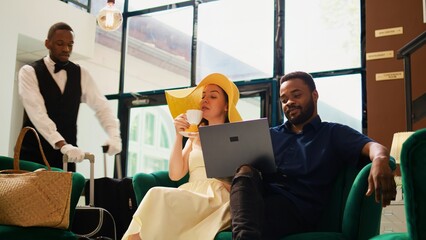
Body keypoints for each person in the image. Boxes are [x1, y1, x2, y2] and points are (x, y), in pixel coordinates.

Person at [229, 71, 397, 240]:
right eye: (284, 99)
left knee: (249, 214)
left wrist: (380, 159)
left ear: (314, 95)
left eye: (296, 95)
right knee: (245, 170)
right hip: (258, 201)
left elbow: (373, 146)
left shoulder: (333, 133)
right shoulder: (268, 135)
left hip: (298, 210)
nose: (289, 102)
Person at [122, 73, 242, 240]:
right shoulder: (194, 137)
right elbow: (175, 174)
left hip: (216, 197)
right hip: (189, 193)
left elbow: (237, 183)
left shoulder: (233, 137)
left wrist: (209, 146)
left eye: (213, 96)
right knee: (155, 201)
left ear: (226, 106)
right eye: (203, 96)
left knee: (156, 194)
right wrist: (179, 135)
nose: (204, 100)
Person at [18, 22, 122, 171]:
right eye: (60, 44)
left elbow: (102, 106)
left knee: (68, 194)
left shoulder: (81, 74)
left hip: (68, 156)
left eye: (70, 45)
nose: (66, 49)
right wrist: (62, 145)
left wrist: (114, 135)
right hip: (33, 155)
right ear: (48, 43)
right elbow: (37, 114)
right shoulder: (29, 72)